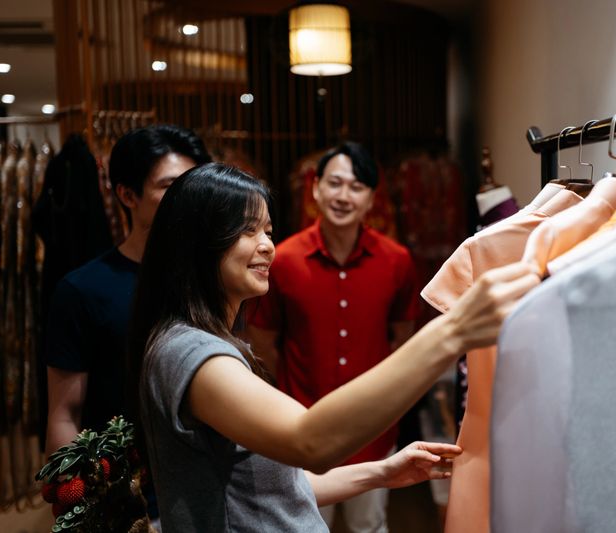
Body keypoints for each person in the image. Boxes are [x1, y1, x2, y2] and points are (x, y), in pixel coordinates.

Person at [126, 163, 537, 532]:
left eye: (267, 230)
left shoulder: (215, 341)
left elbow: (276, 485)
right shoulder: (188, 352)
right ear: (198, 242)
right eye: (246, 230)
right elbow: (310, 442)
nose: (267, 244)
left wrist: (382, 472)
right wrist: (453, 331)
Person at [244, 141, 418, 531]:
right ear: (316, 188)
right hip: (301, 428)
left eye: (356, 186)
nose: (343, 196)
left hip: (372, 431)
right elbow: (263, 344)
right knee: (302, 525)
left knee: (369, 525)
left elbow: (403, 343)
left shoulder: (397, 261)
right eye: (334, 183)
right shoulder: (282, 259)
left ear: (372, 197)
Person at [43, 124, 211, 524]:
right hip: (126, 497)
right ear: (127, 194)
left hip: (206, 484)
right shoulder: (83, 289)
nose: (185, 198)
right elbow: (65, 411)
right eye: (170, 185)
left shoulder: (213, 279)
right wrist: (77, 506)